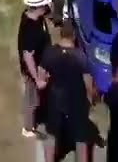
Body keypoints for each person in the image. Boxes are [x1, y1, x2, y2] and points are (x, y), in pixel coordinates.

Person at [41, 21, 96, 161]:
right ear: (74, 35)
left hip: (55, 98)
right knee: (81, 138)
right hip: (76, 100)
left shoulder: (50, 52)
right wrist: (91, 96)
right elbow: (88, 81)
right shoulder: (80, 56)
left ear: (61, 34)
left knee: (51, 134)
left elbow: (42, 75)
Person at [17, 0, 53, 138]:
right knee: (31, 99)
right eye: (44, 5)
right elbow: (28, 56)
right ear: (38, 7)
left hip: (40, 65)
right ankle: (28, 127)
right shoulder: (31, 30)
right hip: (33, 70)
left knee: (38, 96)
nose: (46, 8)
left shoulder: (33, 17)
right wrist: (37, 78)